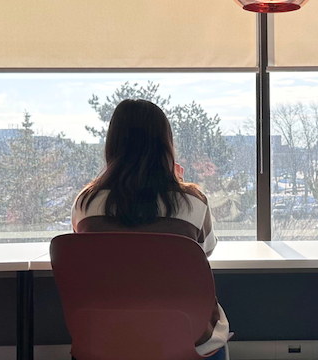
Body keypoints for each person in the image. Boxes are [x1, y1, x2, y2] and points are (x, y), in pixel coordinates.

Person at [72, 99, 229, 360]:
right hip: (187, 338)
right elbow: (205, 251)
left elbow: (86, 254)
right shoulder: (193, 201)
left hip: (106, 338)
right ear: (165, 145)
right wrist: (178, 185)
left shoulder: (86, 203)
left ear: (112, 144)